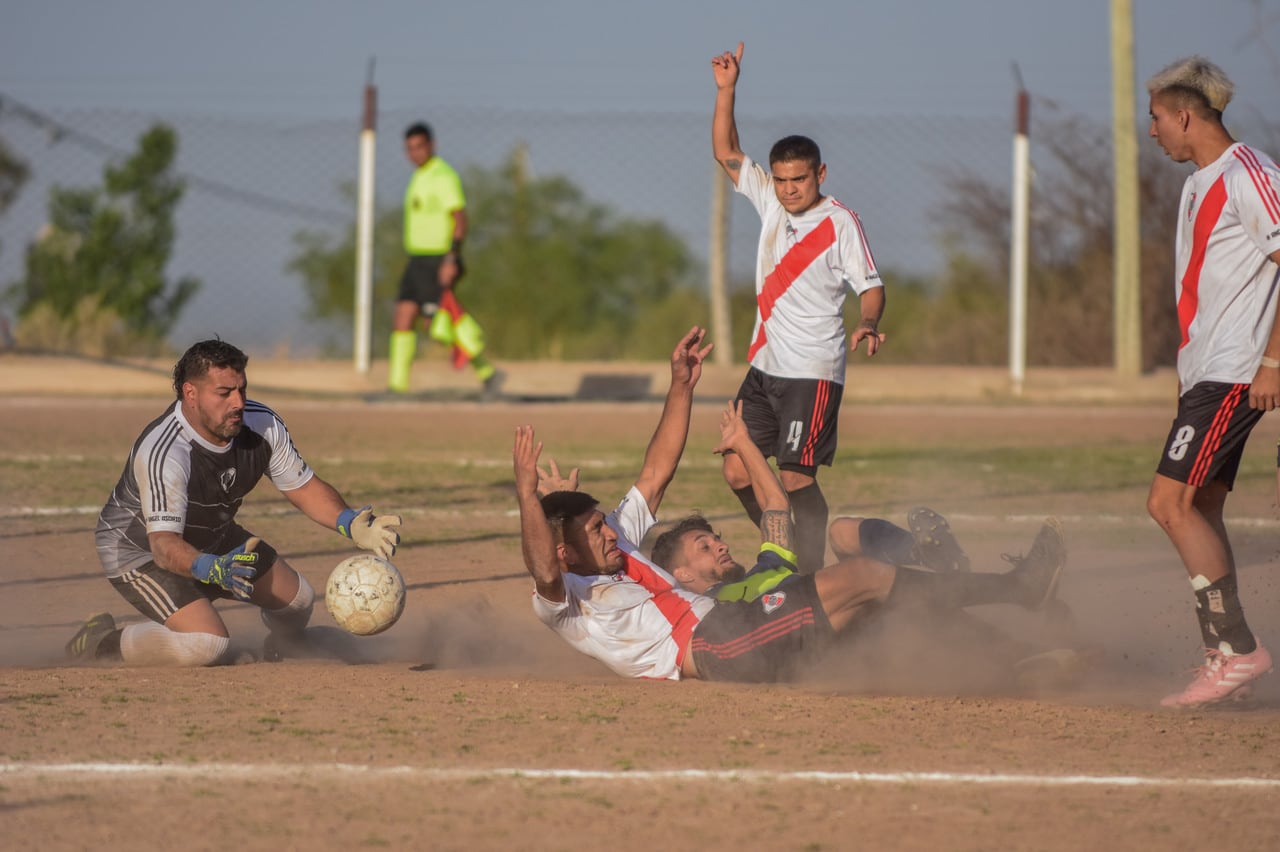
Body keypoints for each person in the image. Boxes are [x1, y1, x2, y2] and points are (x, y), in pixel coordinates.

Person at [513, 331, 1067, 683]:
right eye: (594, 530)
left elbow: (657, 472)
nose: (608, 531)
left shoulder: (621, 546)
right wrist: (528, 500)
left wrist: (681, 385)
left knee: (877, 603)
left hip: (737, 624)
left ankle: (1012, 656)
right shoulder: (567, 602)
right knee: (867, 576)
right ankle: (1018, 593)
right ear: (565, 551)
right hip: (717, 645)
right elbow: (541, 567)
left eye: (603, 523)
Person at [65, 339, 403, 667]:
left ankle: (283, 646)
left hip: (212, 535)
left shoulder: (261, 423)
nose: (238, 402)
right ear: (190, 394)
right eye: (224, 393)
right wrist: (209, 568)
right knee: (207, 645)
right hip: (139, 552)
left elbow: (303, 487)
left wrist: (350, 522)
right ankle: (101, 641)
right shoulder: (165, 451)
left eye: (241, 389)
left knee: (298, 601)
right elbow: (164, 546)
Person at [710, 42, 886, 574]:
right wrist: (726, 91)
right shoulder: (767, 199)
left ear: (820, 174)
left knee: (794, 477)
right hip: (764, 368)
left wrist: (870, 322)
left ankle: (805, 579)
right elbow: (726, 151)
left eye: (799, 180)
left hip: (812, 371)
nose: (788, 190)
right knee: (739, 472)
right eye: (781, 180)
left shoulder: (840, 223)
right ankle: (785, 544)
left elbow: (870, 285)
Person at [1144, 56, 1280, 707]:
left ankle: (1235, 650)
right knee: (1201, 507)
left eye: (1156, 118)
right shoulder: (1201, 180)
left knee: (1167, 505)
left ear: (1185, 116)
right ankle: (1228, 654)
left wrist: (1273, 362)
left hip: (1232, 373)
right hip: (1205, 370)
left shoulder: (1250, 175)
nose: (1152, 132)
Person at [388, 121, 502, 398]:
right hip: (417, 259)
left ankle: (487, 371)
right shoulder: (418, 177)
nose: (414, 153)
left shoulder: (444, 177)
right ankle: (397, 386)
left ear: (432, 146)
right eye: (409, 149)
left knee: (442, 323)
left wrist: (452, 257)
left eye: (419, 147)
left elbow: (460, 218)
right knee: (403, 315)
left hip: (438, 259)